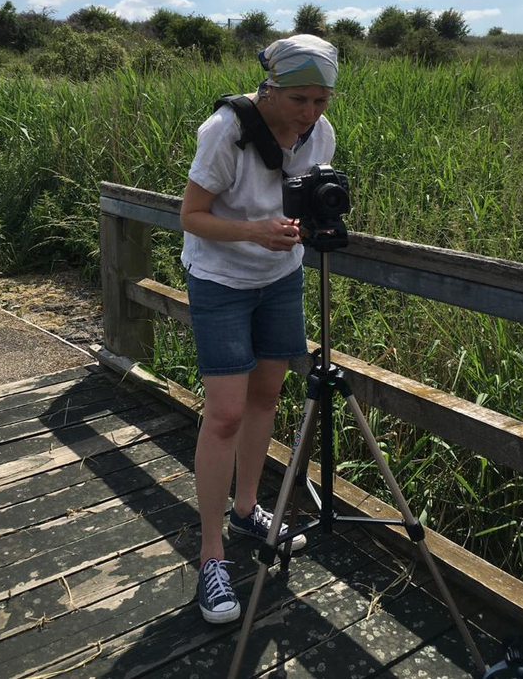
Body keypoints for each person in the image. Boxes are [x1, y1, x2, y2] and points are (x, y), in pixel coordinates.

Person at [180, 34, 338, 623]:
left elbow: (305, 198)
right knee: (223, 412)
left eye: (322, 100)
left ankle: (247, 509)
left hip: (282, 277)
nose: (311, 113)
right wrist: (254, 231)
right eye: (299, 98)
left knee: (267, 394)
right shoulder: (226, 131)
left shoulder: (318, 134)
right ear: (269, 88)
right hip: (221, 277)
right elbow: (190, 216)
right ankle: (211, 557)